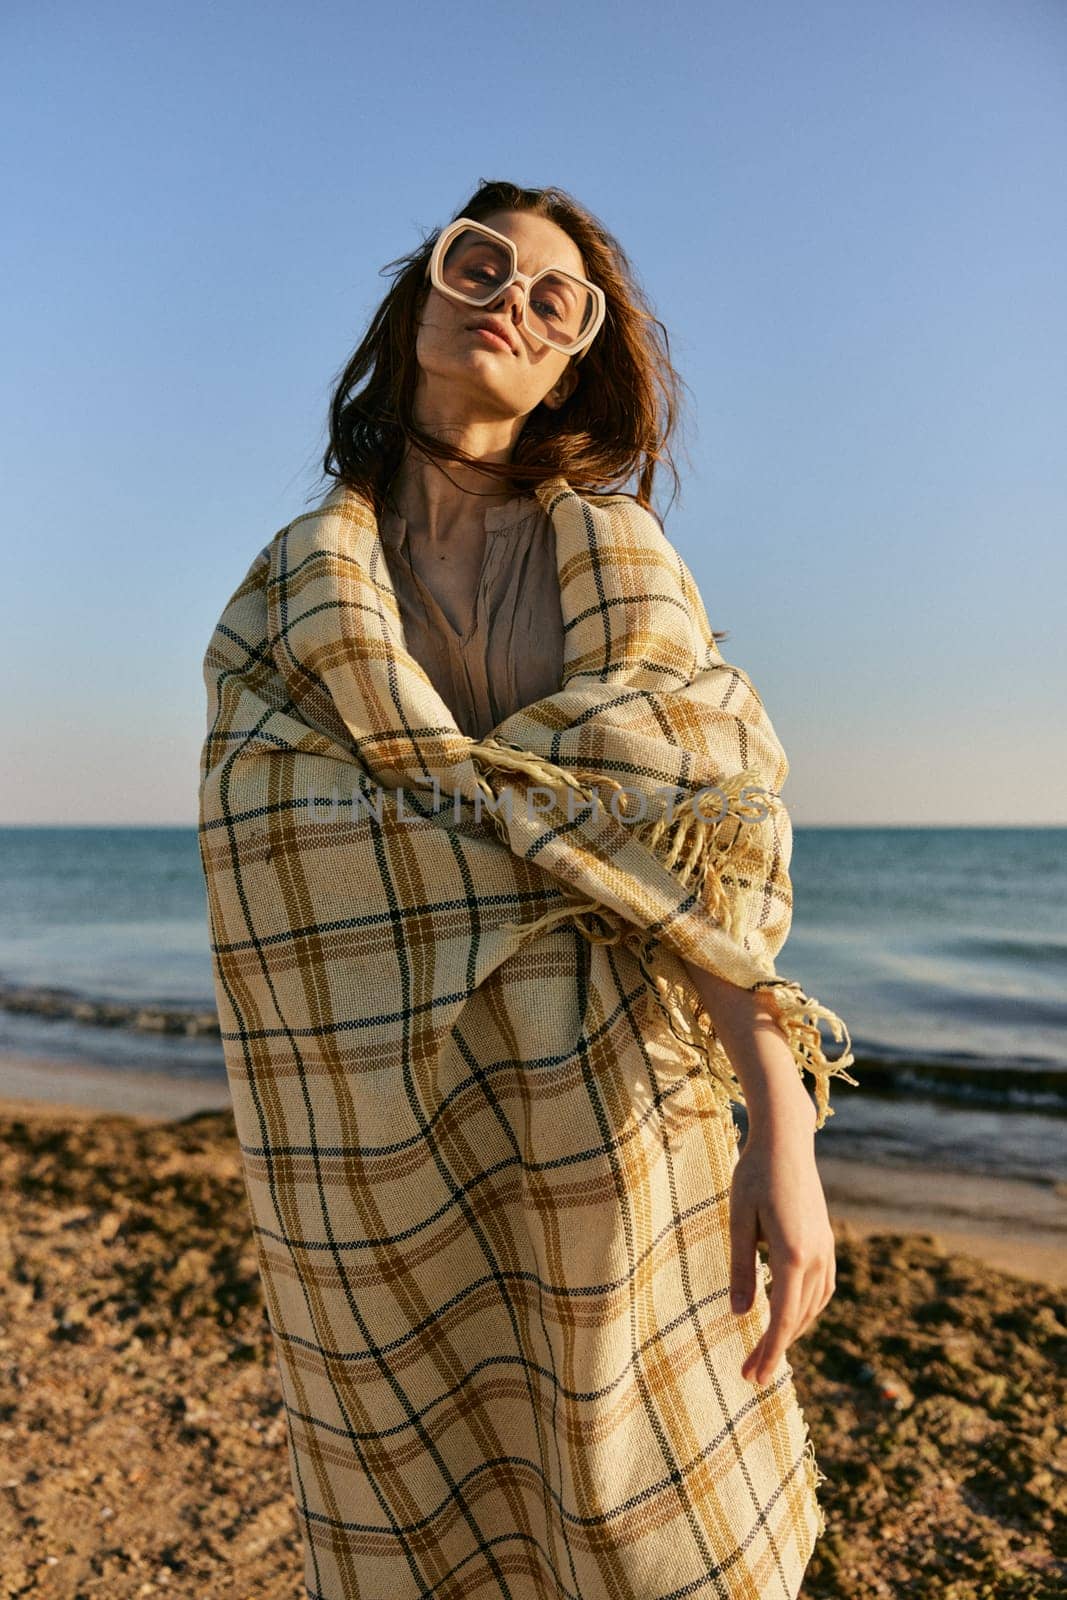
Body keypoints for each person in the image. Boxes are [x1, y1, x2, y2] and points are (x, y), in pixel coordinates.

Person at [198, 178, 854, 1600]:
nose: (509, 299)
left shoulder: (615, 554)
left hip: (611, 1116)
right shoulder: (296, 587)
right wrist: (504, 834)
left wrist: (780, 1123)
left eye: (555, 296)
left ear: (573, 359)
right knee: (418, 1492)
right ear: (418, 302)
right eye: (479, 265)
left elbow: (706, 847)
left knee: (646, 1505)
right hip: (378, 1138)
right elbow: (272, 852)